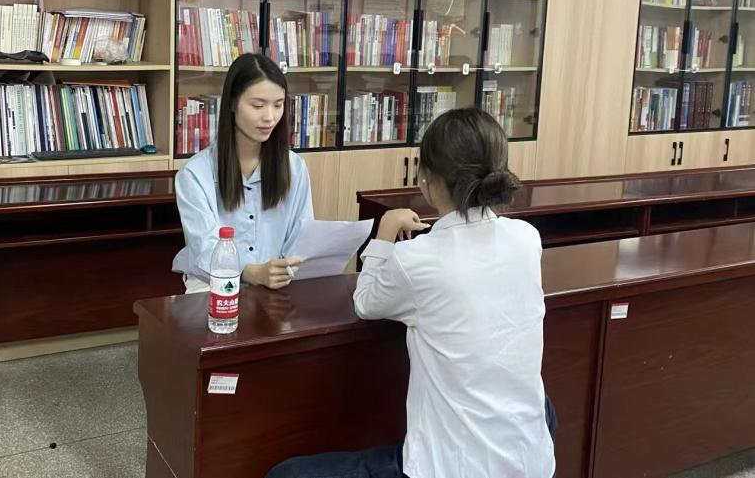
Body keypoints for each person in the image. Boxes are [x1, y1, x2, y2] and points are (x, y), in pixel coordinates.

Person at [266, 107, 556, 478]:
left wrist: (386, 231)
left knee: (286, 475)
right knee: (545, 407)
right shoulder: (526, 239)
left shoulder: (418, 258)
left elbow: (365, 302)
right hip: (532, 461)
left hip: (452, 469)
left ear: (428, 180)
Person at [173, 53, 313, 291]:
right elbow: (204, 249)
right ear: (232, 104)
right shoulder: (195, 174)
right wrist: (251, 273)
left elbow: (302, 237)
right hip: (212, 284)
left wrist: (282, 271)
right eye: (257, 105)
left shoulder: (294, 167)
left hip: (277, 284)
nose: (269, 117)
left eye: (278, 105)